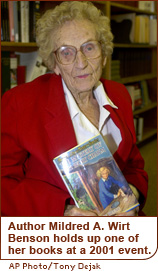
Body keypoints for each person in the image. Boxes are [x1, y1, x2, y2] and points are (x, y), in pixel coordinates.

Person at [1, 1, 148, 217]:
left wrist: (133, 194)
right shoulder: (19, 103)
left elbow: (134, 164)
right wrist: (62, 211)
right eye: (66, 52)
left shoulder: (119, 96)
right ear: (54, 63)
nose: (81, 62)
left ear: (104, 53)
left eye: (89, 47)